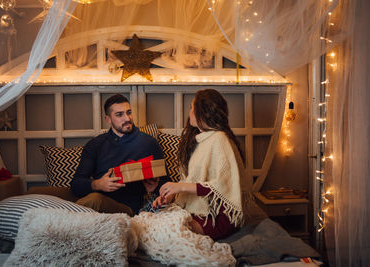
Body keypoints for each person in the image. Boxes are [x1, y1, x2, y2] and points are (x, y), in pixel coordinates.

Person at [28, 94, 168, 216]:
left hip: (125, 207)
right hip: (92, 196)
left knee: (95, 200)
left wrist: (154, 188)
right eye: (119, 114)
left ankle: (59, 222)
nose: (127, 118)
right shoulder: (96, 144)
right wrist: (97, 184)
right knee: (35, 194)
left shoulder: (148, 143)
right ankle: (57, 219)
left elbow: (164, 182)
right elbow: (76, 185)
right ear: (108, 119)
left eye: (129, 112)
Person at [153, 89, 249, 240]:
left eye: (192, 107)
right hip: (198, 211)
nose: (189, 112)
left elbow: (223, 186)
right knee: (154, 224)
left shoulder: (219, 139)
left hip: (217, 216)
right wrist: (171, 195)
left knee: (163, 230)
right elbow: (192, 180)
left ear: (203, 112)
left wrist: (180, 186)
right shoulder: (199, 140)